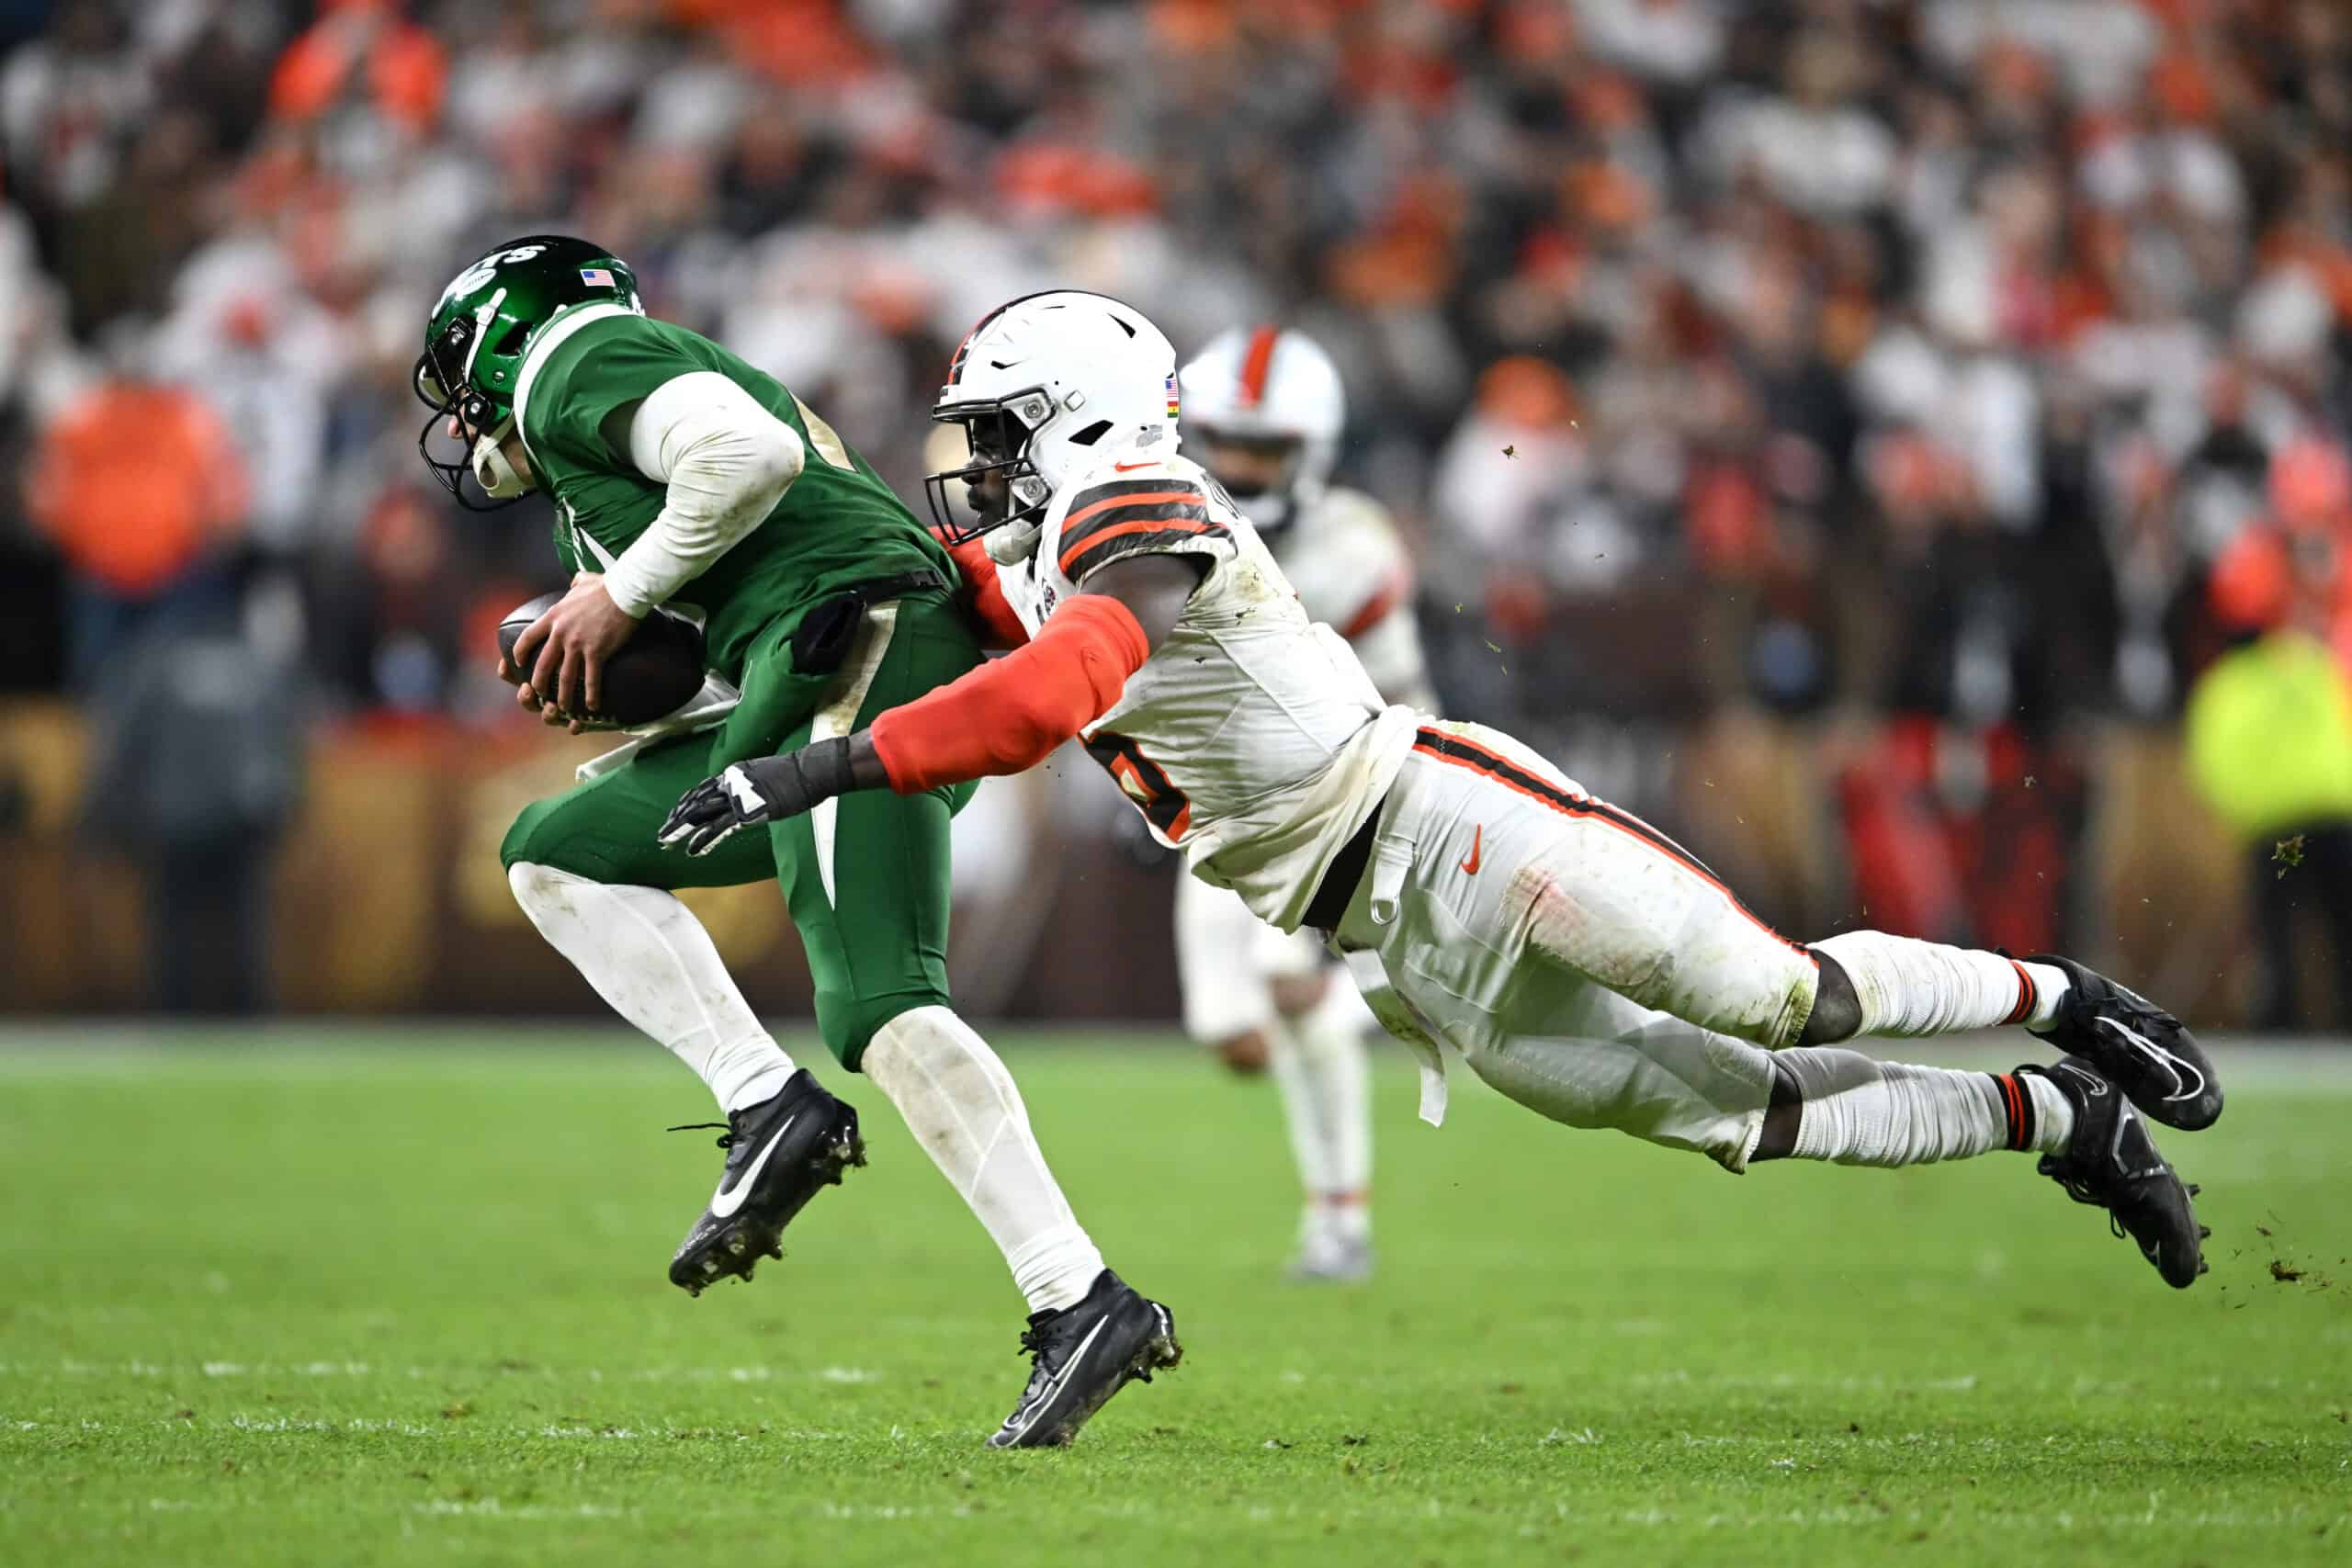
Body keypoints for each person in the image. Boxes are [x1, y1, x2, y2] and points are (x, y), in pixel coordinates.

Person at [662, 289, 2222, 1293]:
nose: (975, 463)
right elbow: (894, 600)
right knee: (1734, 1115)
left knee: (1775, 995)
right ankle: (2056, 1115)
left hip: (1438, 818)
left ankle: (2067, 996)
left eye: (995, 431)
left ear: (1067, 417)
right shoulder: (1022, 544)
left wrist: (819, 767)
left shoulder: (1137, 500)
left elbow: (1051, 691)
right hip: (1384, 936)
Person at [413, 243, 1176, 1449]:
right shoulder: (592, 484)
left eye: (459, 372)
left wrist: (616, 601)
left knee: (878, 999)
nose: (459, 415)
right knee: (558, 848)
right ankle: (765, 1098)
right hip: (809, 658)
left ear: (508, 333)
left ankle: (1078, 1293)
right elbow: (713, 605)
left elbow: (750, 456)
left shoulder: (574, 362)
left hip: (859, 642)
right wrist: (617, 651)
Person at [1165, 325, 1436, 1280]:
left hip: (1329, 799)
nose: (1234, 467)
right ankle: (1388, 1003)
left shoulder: (1348, 548)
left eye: (1261, 448)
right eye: (1220, 442)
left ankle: (1340, 1223)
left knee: (1293, 993)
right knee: (1228, 1031)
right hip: (1212, 816)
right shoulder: (1148, 523)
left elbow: (1405, 701)